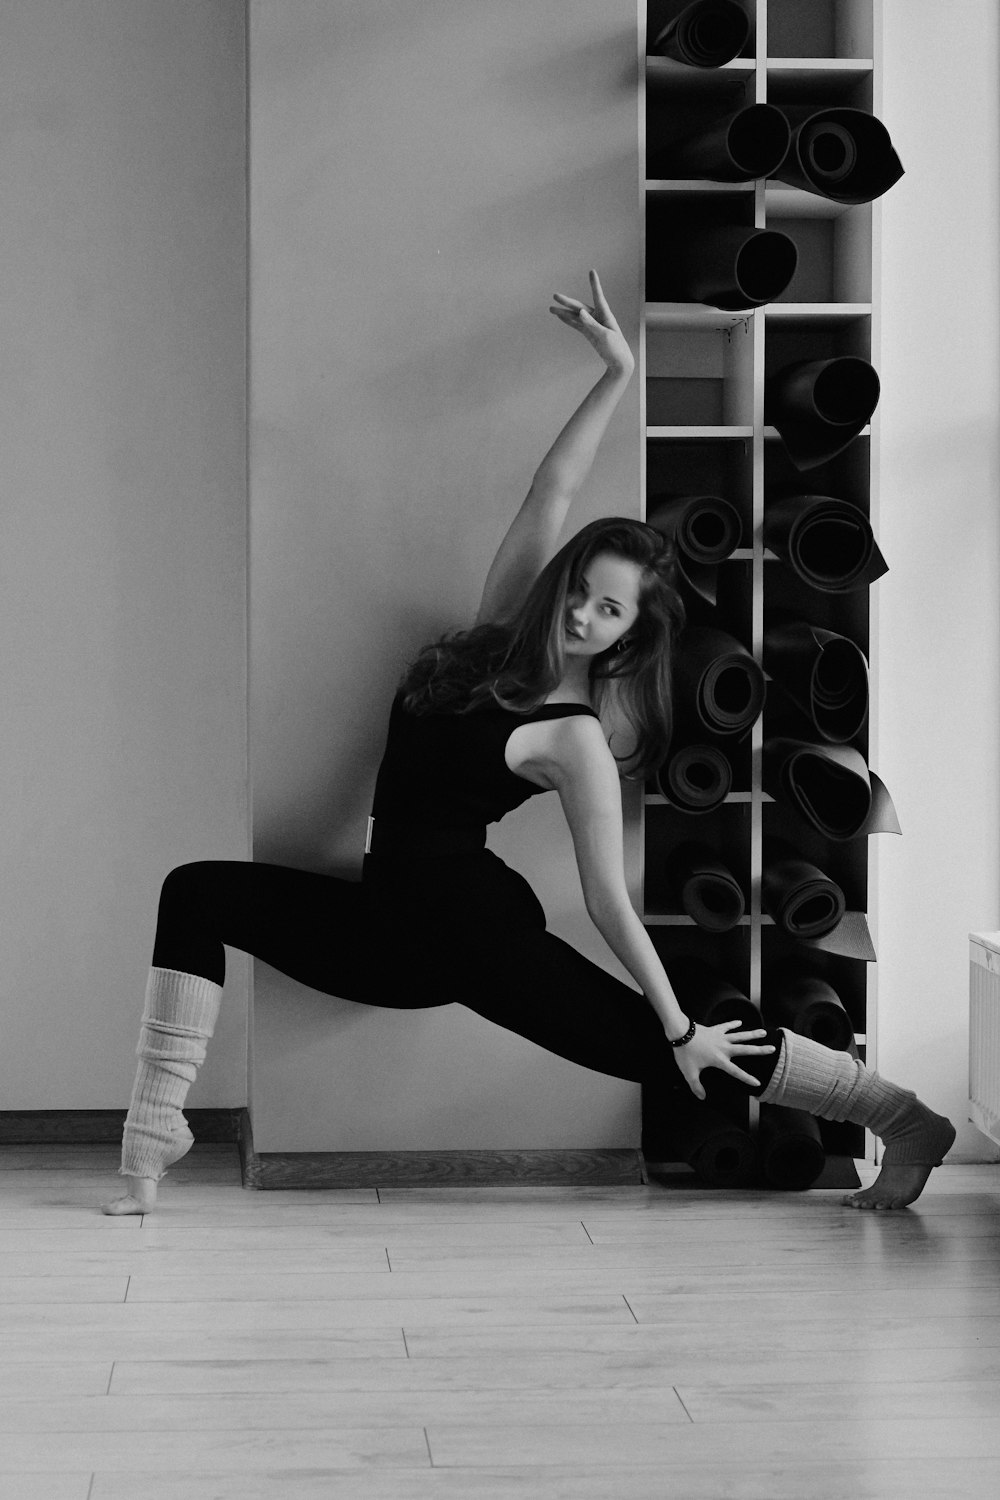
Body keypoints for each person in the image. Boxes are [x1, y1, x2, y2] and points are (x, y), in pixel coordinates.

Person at [102, 271, 954, 1218]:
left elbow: (606, 902)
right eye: (585, 589)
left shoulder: (576, 737)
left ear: (632, 630)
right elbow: (549, 487)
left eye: (612, 610)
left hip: (476, 938)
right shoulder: (492, 633)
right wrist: (616, 372)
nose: (588, 615)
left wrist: (676, 1024)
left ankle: (905, 1120)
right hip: (382, 924)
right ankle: (152, 1142)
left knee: (681, 1049)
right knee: (195, 891)